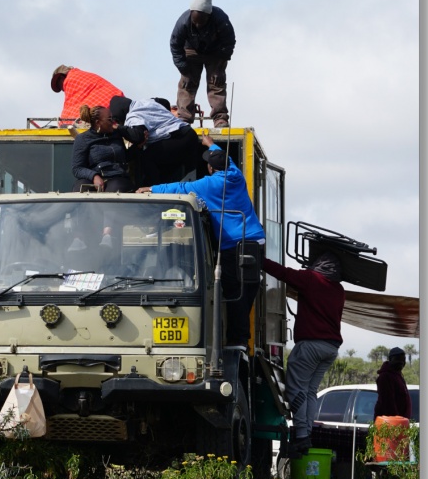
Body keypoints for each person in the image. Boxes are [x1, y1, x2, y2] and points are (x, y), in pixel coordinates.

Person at [138, 136, 265, 347]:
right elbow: (226, 160)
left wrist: (150, 189)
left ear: (210, 168)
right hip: (255, 242)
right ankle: (239, 341)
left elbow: (178, 188)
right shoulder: (236, 175)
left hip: (232, 246)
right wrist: (211, 143)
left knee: (233, 296)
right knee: (245, 296)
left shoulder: (208, 184)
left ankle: (236, 344)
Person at [263, 252, 345, 456]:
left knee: (297, 389)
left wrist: (259, 260)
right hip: (331, 348)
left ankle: (301, 436)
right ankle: (306, 434)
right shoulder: (339, 289)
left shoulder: (311, 280)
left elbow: (283, 273)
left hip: (311, 345)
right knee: (310, 392)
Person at [170, 0, 236, 128]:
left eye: (201, 22)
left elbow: (229, 43)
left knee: (216, 83)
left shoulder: (221, 19)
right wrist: (184, 69)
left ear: (209, 15)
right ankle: (184, 119)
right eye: (195, 22)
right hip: (191, 50)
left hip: (215, 52)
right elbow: (175, 46)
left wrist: (219, 67)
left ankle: (220, 119)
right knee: (187, 84)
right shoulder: (183, 22)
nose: (198, 25)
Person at [109, 94, 203, 186]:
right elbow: (164, 102)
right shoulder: (144, 102)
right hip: (188, 135)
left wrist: (119, 128)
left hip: (178, 138)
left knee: (146, 157)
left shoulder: (133, 116)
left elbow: (138, 136)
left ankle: (150, 189)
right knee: (164, 172)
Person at [71, 104, 133, 192]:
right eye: (109, 119)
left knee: (116, 190)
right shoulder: (82, 138)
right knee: (81, 189)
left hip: (117, 177)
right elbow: (77, 168)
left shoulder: (117, 134)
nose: (113, 122)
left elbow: (126, 157)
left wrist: (138, 146)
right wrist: (94, 176)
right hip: (93, 177)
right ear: (98, 122)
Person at [51, 65, 124, 126]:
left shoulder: (70, 79)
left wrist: (62, 123)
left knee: (67, 120)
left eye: (59, 85)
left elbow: (71, 105)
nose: (62, 89)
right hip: (118, 102)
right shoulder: (84, 75)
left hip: (106, 110)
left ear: (61, 77)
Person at [374, 347, 413, 419]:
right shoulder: (385, 376)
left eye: (403, 359)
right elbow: (388, 404)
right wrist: (397, 422)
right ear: (390, 359)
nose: (401, 362)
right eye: (397, 359)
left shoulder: (397, 375)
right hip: (390, 425)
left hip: (400, 423)